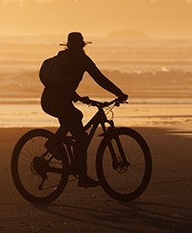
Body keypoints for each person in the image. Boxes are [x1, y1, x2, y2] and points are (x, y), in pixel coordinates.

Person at [41, 32, 128, 188]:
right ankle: (81, 175)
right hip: (52, 101)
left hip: (62, 101)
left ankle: (55, 145)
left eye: (79, 47)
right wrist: (76, 96)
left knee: (75, 120)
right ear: (71, 47)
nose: (78, 50)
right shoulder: (65, 61)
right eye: (75, 47)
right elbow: (60, 84)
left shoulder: (84, 61)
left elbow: (100, 78)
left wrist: (118, 93)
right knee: (79, 132)